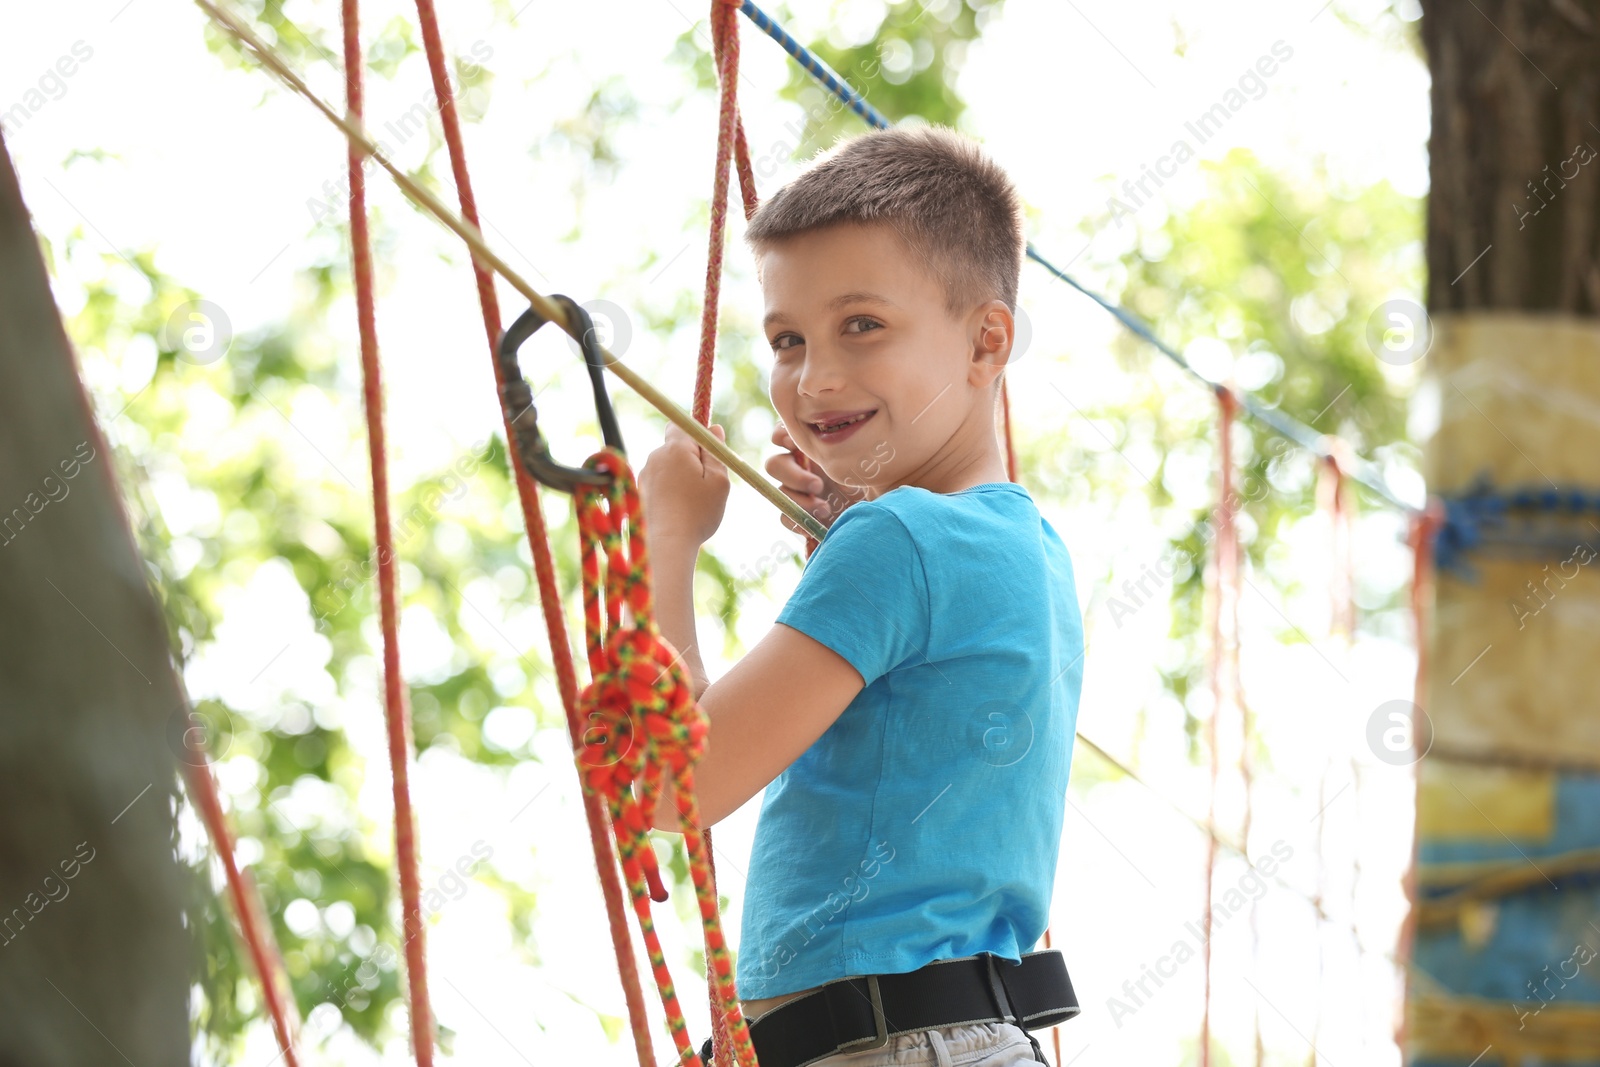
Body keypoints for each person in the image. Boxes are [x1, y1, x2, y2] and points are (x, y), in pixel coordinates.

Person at [637, 124, 1085, 1067]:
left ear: (985, 341)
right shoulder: (1029, 548)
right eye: (787, 338)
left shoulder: (898, 541)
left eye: (862, 325)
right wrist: (857, 518)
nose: (815, 377)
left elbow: (679, 786)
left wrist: (665, 534)